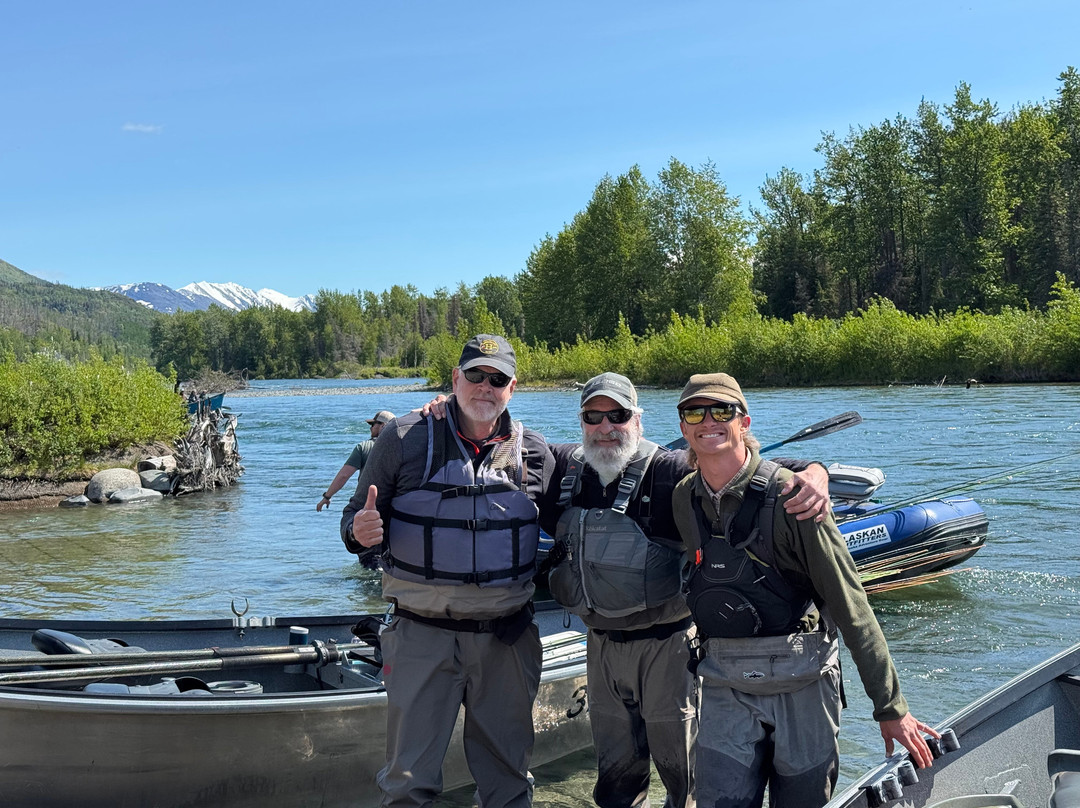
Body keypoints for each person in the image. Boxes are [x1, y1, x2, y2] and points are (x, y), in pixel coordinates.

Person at [539, 372, 832, 808]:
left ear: (636, 419)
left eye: (617, 415)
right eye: (593, 416)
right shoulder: (566, 468)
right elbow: (513, 437)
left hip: (668, 647)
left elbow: (764, 469)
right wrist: (441, 408)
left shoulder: (668, 470)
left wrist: (816, 472)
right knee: (615, 778)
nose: (605, 427)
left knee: (685, 779)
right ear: (581, 421)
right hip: (598, 645)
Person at [671, 372, 939, 808]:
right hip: (723, 680)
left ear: (745, 422)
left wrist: (890, 707)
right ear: (683, 428)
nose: (708, 421)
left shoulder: (794, 498)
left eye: (722, 410)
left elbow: (849, 602)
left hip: (803, 678)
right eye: (694, 412)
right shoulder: (684, 497)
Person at [340, 334, 553, 808]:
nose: (484, 386)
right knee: (407, 783)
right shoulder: (402, 438)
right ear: (455, 379)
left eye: (496, 379)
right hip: (420, 636)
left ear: (511, 389)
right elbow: (353, 518)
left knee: (509, 779)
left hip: (507, 640)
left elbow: (605, 462)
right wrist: (360, 531)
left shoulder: (537, 453)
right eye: (474, 375)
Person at [316, 410, 395, 512]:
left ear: (383, 426)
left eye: (373, 424)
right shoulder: (401, 447)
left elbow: (344, 475)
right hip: (394, 504)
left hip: (367, 504)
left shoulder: (364, 447)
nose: (370, 427)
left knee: (348, 519)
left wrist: (327, 497)